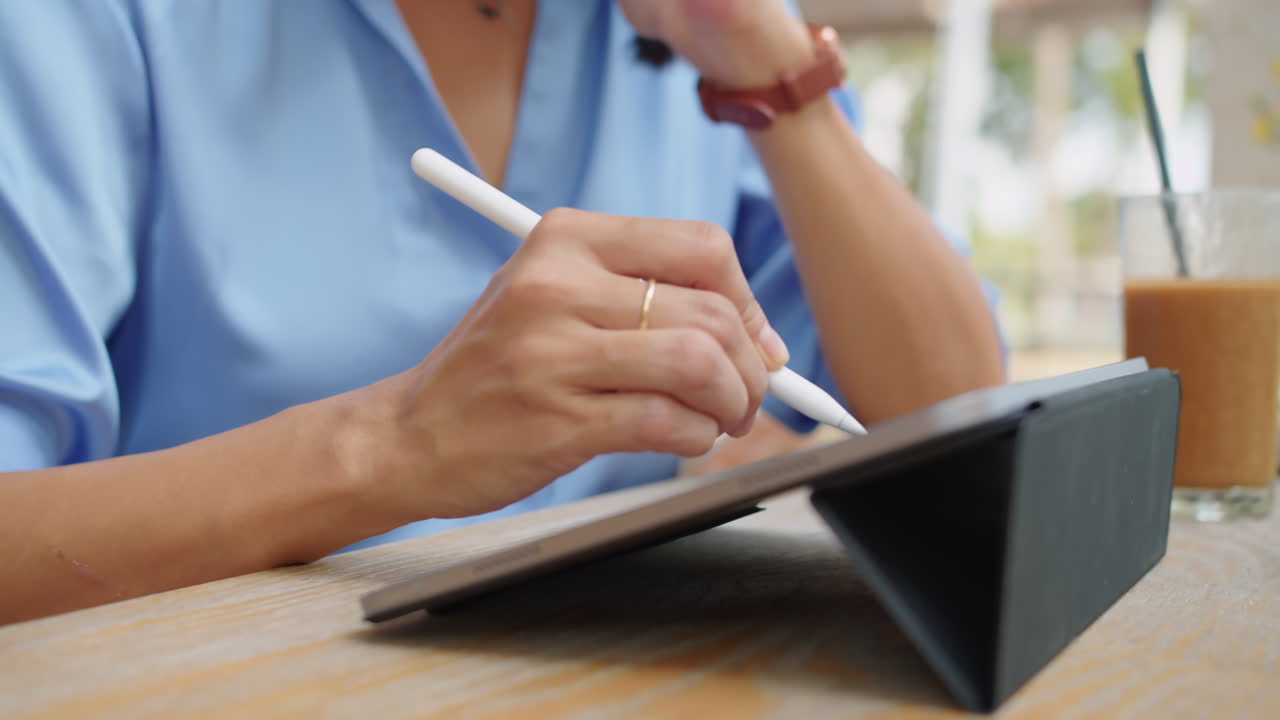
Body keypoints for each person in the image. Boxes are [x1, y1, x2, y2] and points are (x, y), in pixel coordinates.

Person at [0, 0, 1005, 624]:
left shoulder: (679, 35)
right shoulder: (98, 26)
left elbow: (959, 435)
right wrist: (388, 446)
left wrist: (760, 55)